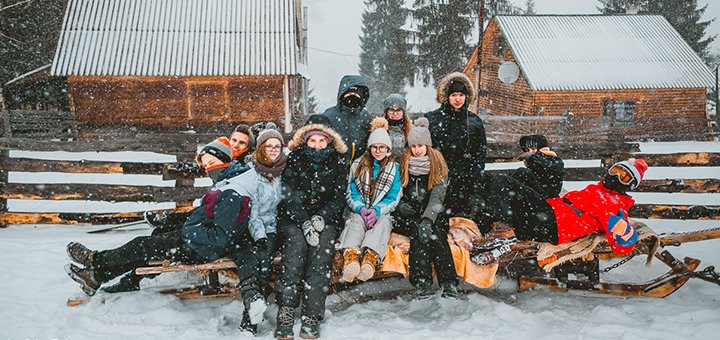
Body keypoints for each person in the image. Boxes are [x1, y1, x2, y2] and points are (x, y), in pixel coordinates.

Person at [64, 139, 270, 328]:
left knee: (142, 245)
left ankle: (96, 262)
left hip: (200, 248)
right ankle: (99, 275)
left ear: (223, 160)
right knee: (153, 239)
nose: (207, 168)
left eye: (210, 162)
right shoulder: (229, 181)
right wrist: (171, 220)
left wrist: (189, 232)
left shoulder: (232, 193)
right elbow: (205, 214)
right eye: (205, 164)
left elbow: (221, 238)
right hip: (197, 240)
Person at [469, 158, 648, 265]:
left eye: (624, 177)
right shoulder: (600, 191)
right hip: (552, 212)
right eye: (615, 171)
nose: (616, 177)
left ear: (630, 185)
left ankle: (495, 227)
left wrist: (624, 231)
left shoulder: (613, 205)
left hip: (552, 223)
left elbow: (623, 246)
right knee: (522, 174)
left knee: (503, 182)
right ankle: (479, 212)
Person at [274, 115, 348, 340]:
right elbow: (289, 195)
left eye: (321, 140)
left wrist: (321, 218)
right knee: (295, 251)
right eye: (312, 140)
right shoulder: (294, 159)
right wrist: (304, 221)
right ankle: (286, 311)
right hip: (295, 219)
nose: (317, 144)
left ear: (329, 141)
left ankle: (312, 315)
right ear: (305, 140)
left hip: (326, 220)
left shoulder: (338, 162)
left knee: (321, 255)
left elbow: (338, 198)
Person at [393, 117, 458, 299]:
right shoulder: (404, 164)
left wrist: (428, 219)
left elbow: (438, 197)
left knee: (435, 232)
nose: (417, 150)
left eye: (420, 146)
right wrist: (400, 207)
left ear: (427, 145)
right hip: (410, 214)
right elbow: (396, 191)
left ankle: (448, 282)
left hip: (434, 213)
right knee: (417, 231)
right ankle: (422, 282)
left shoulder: (438, 165)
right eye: (413, 146)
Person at [237, 125, 288, 335]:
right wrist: (260, 235)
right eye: (269, 146)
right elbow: (253, 210)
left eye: (277, 146)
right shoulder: (252, 172)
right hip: (252, 227)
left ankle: (251, 314)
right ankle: (250, 315)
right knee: (254, 262)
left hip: (275, 228)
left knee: (265, 266)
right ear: (260, 148)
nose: (274, 150)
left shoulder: (284, 170)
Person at [339, 117, 402, 283]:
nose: (378, 151)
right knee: (355, 223)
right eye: (374, 147)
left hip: (381, 210)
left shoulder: (394, 168)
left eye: (382, 147)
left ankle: (370, 258)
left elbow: (394, 196)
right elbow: (351, 192)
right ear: (369, 147)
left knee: (383, 224)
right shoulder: (358, 164)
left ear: (387, 148)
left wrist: (378, 210)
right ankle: (351, 257)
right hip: (360, 209)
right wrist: (360, 208)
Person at [424, 72, 487, 217]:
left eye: (461, 95)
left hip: (466, 177)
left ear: (466, 97)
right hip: (438, 176)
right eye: (453, 95)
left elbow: (480, 151)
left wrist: (475, 173)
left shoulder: (474, 121)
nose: (457, 99)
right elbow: (424, 147)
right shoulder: (433, 118)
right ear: (447, 96)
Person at [321, 74, 372, 161]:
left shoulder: (366, 117)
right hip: (335, 165)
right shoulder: (329, 116)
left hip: (360, 166)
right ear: (342, 94)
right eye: (349, 93)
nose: (352, 97)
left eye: (356, 94)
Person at [512, 134, 565, 199]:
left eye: (533, 149)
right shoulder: (534, 164)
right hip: (534, 195)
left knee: (522, 172)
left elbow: (551, 168)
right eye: (528, 150)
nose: (530, 152)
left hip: (546, 196)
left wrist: (532, 157)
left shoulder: (554, 159)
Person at [383, 93, 412, 157]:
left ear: (403, 112)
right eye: (391, 110)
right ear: (386, 112)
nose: (395, 113)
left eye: (398, 110)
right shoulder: (379, 129)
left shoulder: (411, 130)